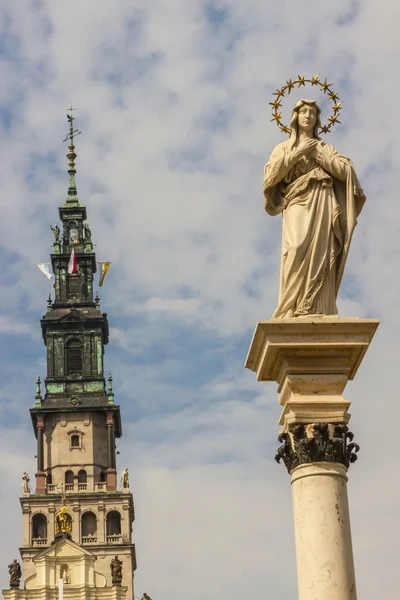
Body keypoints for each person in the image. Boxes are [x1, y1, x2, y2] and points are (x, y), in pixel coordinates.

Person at [263, 99, 365, 318]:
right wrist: (297, 153)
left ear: (318, 120)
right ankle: (289, 305)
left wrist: (318, 155)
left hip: (323, 197)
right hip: (296, 199)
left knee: (321, 249)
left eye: (312, 113)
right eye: (304, 112)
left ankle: (313, 305)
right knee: (297, 246)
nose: (308, 116)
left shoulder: (324, 148)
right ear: (295, 118)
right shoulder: (283, 147)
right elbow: (270, 176)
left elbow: (345, 173)